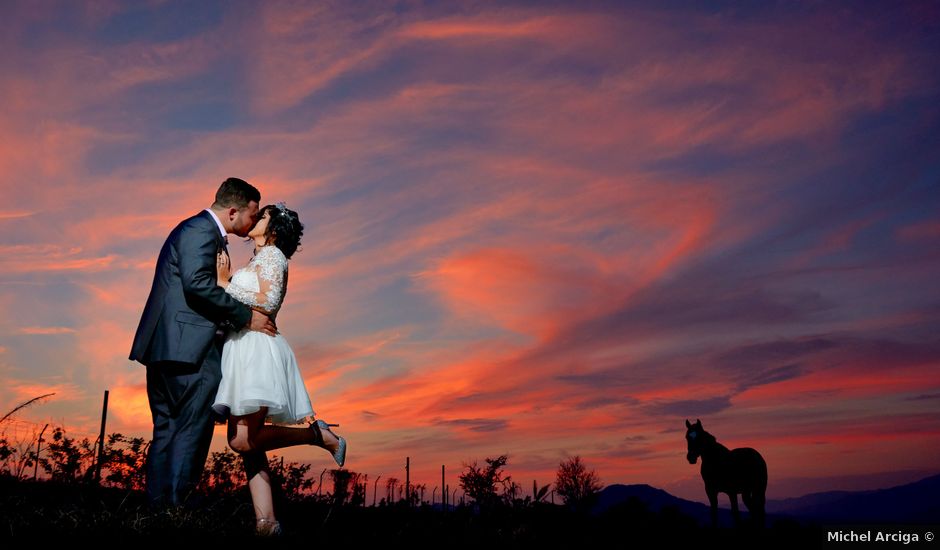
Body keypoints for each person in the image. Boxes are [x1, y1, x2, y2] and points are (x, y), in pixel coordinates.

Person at [129, 177, 278, 508]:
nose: (253, 221)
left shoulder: (192, 230)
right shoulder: (200, 231)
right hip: (190, 350)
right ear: (234, 210)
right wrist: (246, 317)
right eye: (252, 213)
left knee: (167, 430)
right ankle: (176, 511)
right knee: (191, 433)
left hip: (169, 346)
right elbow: (197, 285)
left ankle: (158, 511)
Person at [212, 202, 347, 537]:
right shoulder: (260, 257)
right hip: (242, 348)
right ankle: (266, 522)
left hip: (257, 351)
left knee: (242, 441)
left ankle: (318, 435)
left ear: (273, 229)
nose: (257, 217)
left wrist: (224, 282)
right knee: (250, 445)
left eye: (264, 215)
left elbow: (268, 301)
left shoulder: (274, 256)